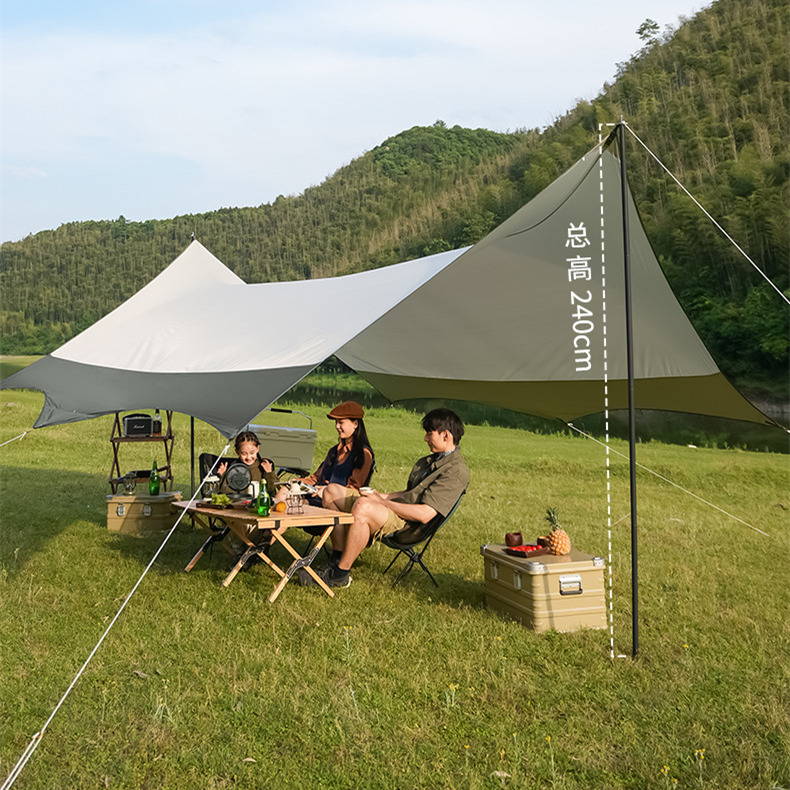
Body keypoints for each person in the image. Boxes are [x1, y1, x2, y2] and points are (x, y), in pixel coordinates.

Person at [301, 408, 469, 590]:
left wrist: (381, 502)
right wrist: (378, 495)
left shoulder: (455, 471)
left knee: (363, 507)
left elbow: (424, 514)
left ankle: (339, 575)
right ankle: (337, 559)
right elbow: (408, 494)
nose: (425, 439)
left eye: (430, 433)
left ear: (446, 435)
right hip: (398, 509)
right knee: (331, 492)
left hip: (407, 524)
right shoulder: (431, 461)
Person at [277, 401, 375, 510]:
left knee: (293, 504)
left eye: (341, 422)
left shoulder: (363, 454)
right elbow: (315, 478)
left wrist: (326, 490)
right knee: (284, 492)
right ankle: (268, 526)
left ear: (355, 424)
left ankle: (272, 525)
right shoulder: (334, 451)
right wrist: (297, 483)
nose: (337, 426)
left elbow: (353, 490)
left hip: (336, 502)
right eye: (336, 422)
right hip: (318, 494)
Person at [217, 430, 278, 561]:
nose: (249, 457)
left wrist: (269, 473)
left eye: (252, 453)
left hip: (258, 511)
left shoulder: (263, 467)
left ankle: (251, 553)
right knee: (235, 521)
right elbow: (224, 492)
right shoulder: (234, 468)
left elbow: (272, 491)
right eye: (244, 454)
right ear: (237, 452)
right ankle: (240, 553)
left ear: (258, 448)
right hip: (238, 511)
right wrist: (221, 476)